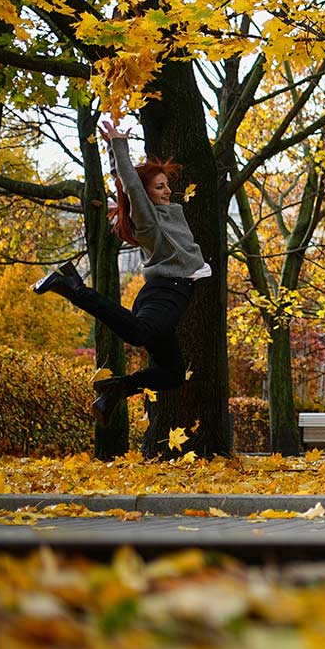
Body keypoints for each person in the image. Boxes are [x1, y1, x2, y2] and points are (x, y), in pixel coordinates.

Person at [32, 120, 211, 426]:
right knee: (137, 332)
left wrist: (116, 160)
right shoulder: (149, 220)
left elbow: (127, 184)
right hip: (169, 292)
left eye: (167, 184)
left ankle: (115, 390)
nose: (168, 190)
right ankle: (74, 287)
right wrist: (119, 147)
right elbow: (131, 186)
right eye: (159, 187)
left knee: (172, 373)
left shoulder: (167, 213)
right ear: (145, 195)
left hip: (160, 296)